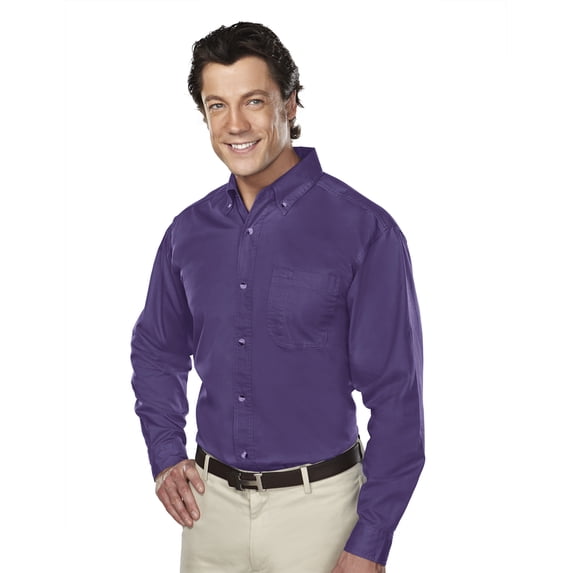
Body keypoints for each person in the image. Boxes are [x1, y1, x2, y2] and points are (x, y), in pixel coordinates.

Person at [131, 21, 425, 573]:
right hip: (209, 513)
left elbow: (397, 398)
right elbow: (156, 349)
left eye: (254, 101)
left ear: (290, 104)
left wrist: (371, 540)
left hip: (320, 516)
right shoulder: (187, 233)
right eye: (217, 106)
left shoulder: (364, 231)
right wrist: (166, 454)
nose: (235, 125)